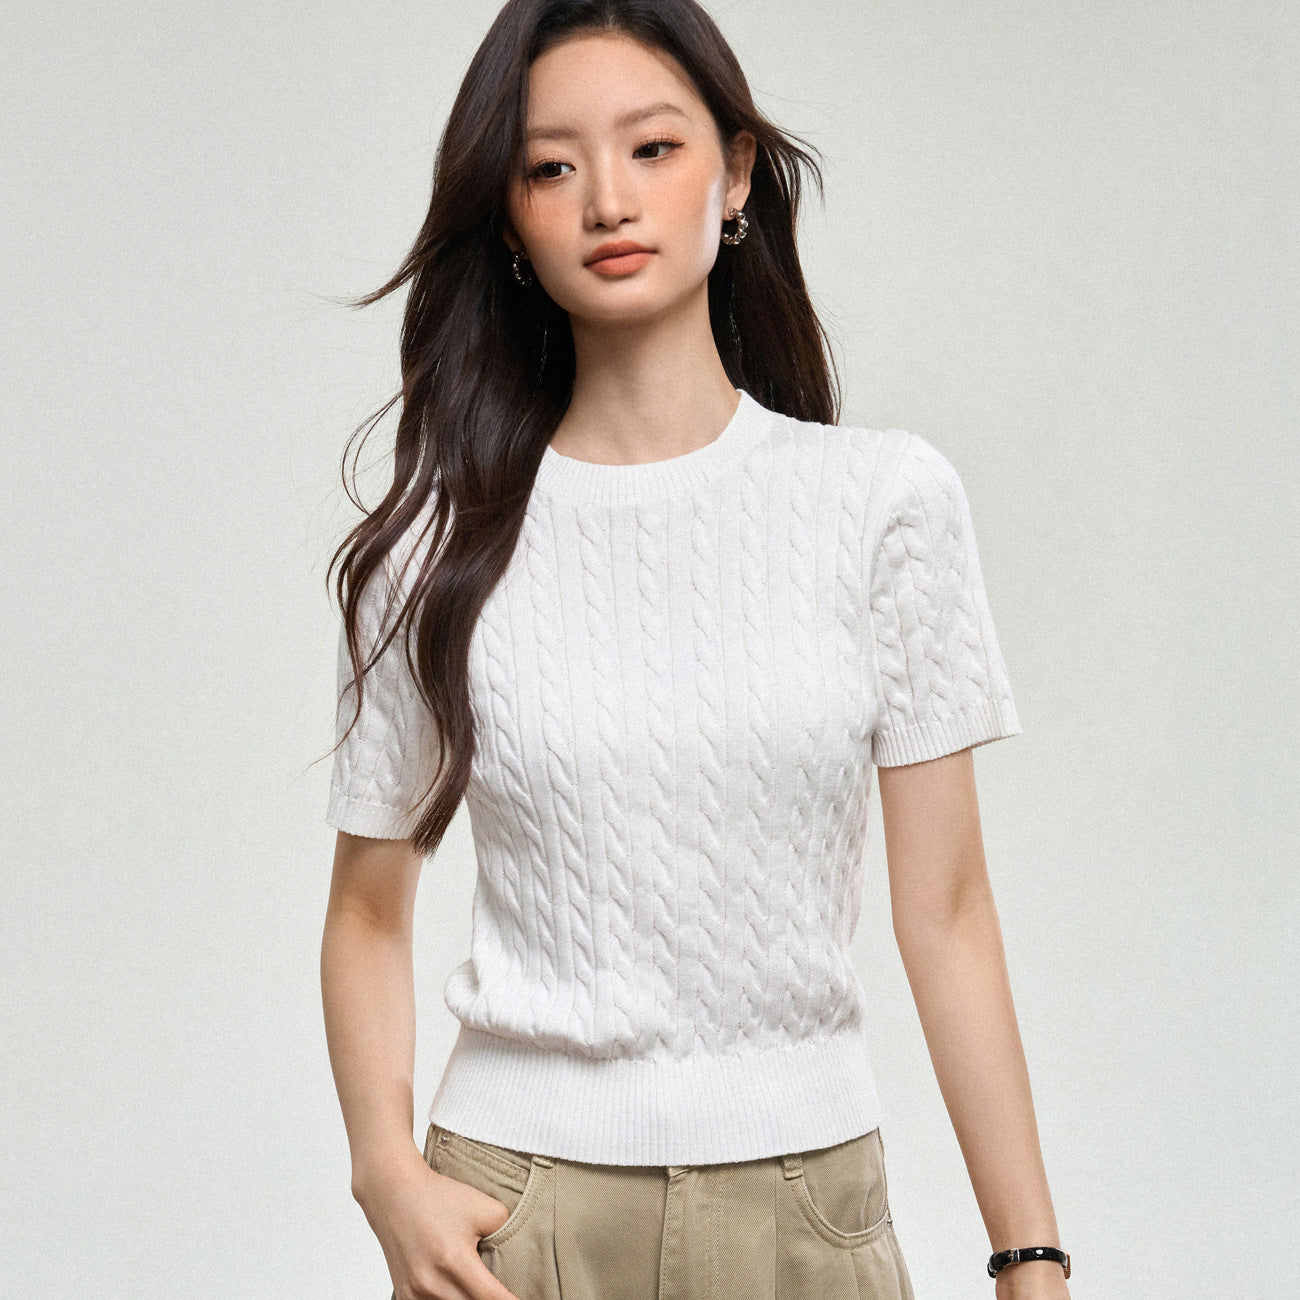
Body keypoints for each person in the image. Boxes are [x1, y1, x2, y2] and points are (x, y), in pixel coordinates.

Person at [319, 2, 1071, 1298]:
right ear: (510, 220)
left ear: (734, 175)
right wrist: (384, 1172)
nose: (607, 199)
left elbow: (947, 910)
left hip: (803, 1209)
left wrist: (1031, 1256)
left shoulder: (882, 504)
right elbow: (366, 912)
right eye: (551, 166)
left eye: (653, 148)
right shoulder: (438, 549)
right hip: (511, 1217)